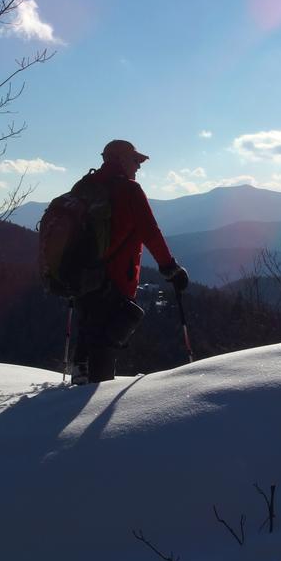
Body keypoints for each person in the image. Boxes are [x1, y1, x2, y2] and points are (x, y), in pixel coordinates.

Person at [71, 139, 189, 384]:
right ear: (121, 160)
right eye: (135, 160)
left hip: (81, 277)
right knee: (106, 340)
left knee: (89, 329)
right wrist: (170, 268)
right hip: (115, 280)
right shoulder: (130, 191)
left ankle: (79, 378)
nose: (138, 166)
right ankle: (94, 396)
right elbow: (150, 232)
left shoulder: (83, 187)